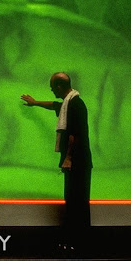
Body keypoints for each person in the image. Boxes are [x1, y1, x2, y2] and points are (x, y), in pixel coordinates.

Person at [21, 72, 93, 251]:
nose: (51, 90)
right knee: (74, 201)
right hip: (78, 161)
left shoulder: (75, 105)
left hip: (78, 162)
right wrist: (35, 102)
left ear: (59, 86)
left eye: (53, 87)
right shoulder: (70, 103)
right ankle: (76, 241)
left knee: (77, 202)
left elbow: (75, 135)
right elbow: (54, 105)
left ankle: (78, 242)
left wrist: (68, 158)